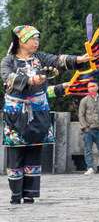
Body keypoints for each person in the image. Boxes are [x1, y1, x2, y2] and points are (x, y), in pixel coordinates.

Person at [2, 25, 88, 204]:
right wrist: (30, 80)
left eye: (37, 39)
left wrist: (79, 59)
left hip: (38, 114)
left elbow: (58, 60)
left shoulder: (40, 58)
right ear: (21, 41)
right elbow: (8, 78)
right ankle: (16, 194)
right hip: (16, 116)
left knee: (34, 152)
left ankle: (29, 193)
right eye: (33, 39)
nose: (36, 42)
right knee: (16, 154)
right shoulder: (8, 61)